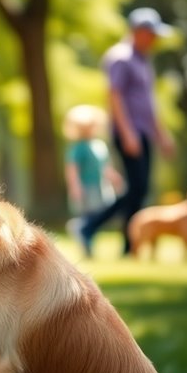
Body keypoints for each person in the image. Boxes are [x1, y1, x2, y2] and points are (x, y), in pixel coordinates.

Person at [72, 7, 176, 258]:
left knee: (139, 189)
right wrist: (128, 133)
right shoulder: (120, 57)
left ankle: (127, 245)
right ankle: (91, 227)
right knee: (137, 188)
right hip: (129, 132)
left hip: (143, 132)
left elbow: (148, 103)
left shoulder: (143, 60)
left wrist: (161, 134)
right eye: (152, 34)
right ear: (139, 31)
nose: (155, 40)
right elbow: (114, 96)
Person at [63, 104, 121, 258]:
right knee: (90, 214)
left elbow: (105, 166)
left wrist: (114, 177)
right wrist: (75, 186)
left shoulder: (99, 145)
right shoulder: (78, 148)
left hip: (101, 186)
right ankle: (85, 239)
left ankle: (82, 231)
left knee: (102, 213)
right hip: (86, 187)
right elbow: (72, 169)